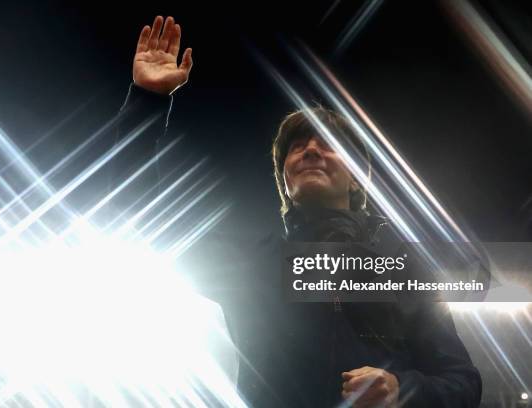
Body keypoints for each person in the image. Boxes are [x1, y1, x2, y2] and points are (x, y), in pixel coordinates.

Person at [117, 15, 483, 407]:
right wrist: (148, 102)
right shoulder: (252, 262)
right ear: (285, 181)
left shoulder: (401, 269)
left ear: (356, 179)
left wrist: (402, 389)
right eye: (297, 146)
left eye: (328, 144)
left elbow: (463, 381)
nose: (310, 149)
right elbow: (142, 225)